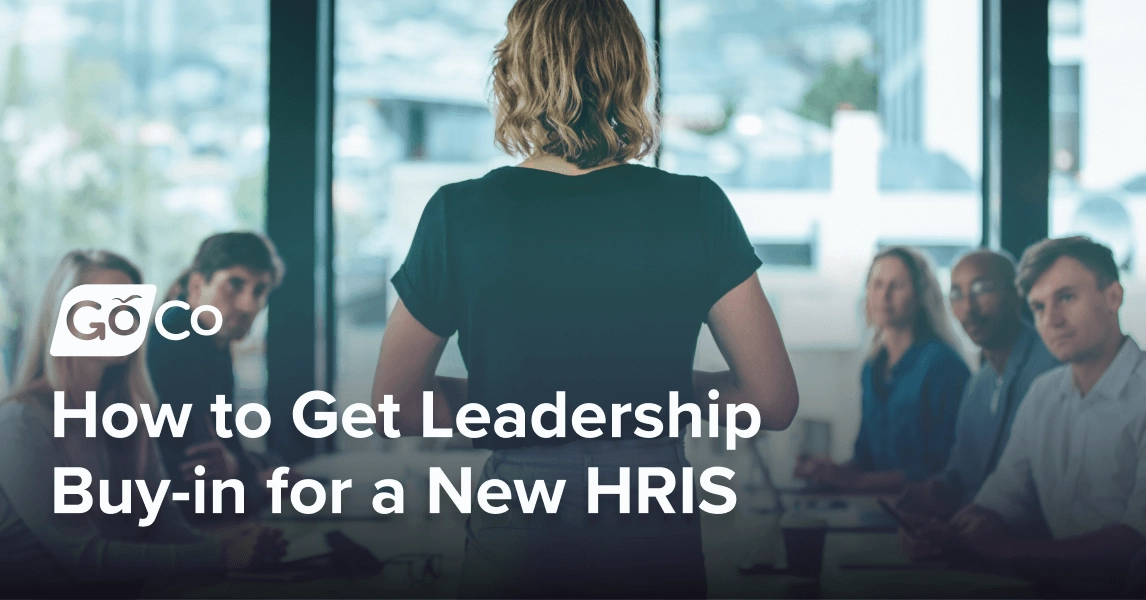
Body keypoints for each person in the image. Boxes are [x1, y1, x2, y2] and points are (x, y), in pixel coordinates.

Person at [369, 0, 799, 597]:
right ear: (630, 72)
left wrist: (518, 401)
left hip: (522, 523)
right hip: (651, 521)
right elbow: (771, 401)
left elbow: (393, 404)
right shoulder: (696, 206)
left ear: (514, 71)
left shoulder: (458, 213)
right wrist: (666, 390)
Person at [0, 250, 285, 596]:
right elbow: (83, 558)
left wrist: (239, 546)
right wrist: (220, 555)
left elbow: (167, 529)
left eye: (130, 308)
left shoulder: (130, 417)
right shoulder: (21, 422)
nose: (120, 319)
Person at [911, 237, 1146, 593]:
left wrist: (1004, 550)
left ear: (1113, 296)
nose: (1051, 319)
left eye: (1066, 297)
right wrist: (954, 531)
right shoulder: (1044, 394)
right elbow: (1002, 498)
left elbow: (1135, 544)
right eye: (1038, 307)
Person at [896, 250, 1059, 533]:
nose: (968, 307)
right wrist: (935, 492)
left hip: (1032, 547)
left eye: (982, 290)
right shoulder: (978, 385)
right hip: (974, 536)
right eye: (957, 295)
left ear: (1016, 293)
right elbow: (959, 474)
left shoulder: (1052, 370)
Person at [795, 246, 970, 492]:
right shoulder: (872, 368)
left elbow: (946, 467)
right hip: (877, 507)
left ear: (921, 296)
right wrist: (831, 471)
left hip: (926, 514)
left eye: (896, 285)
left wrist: (857, 482)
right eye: (877, 284)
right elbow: (866, 460)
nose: (884, 295)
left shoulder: (943, 365)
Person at [147, 233, 284, 521]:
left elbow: (227, 450)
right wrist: (256, 481)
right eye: (235, 284)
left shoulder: (211, 343)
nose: (249, 305)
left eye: (259, 291)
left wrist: (249, 468)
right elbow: (199, 480)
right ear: (197, 285)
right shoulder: (175, 342)